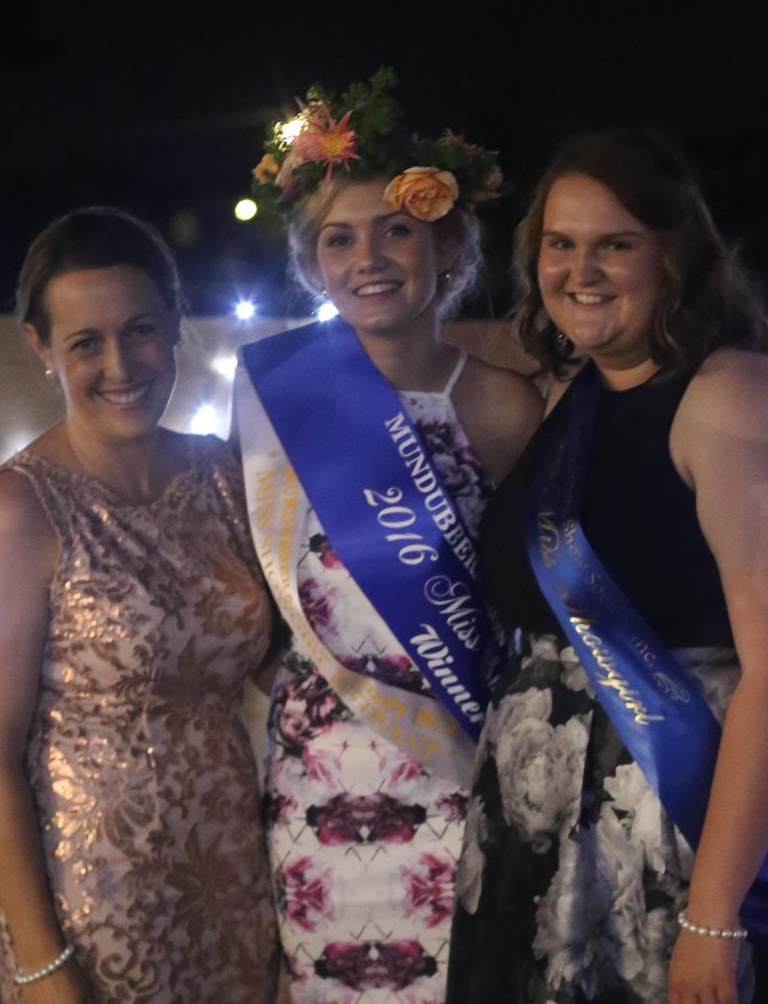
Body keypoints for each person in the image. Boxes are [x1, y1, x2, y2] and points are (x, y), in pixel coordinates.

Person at [237, 69, 543, 1003]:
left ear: (446, 242)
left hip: (461, 767)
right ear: (314, 262)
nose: (367, 257)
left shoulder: (501, 403)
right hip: (317, 777)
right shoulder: (273, 395)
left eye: (395, 229)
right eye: (339, 238)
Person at [446, 129, 768, 1004]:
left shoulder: (725, 396)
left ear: (674, 256)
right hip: (535, 832)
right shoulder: (573, 393)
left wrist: (714, 913)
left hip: (665, 839)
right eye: (561, 243)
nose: (580, 270)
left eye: (615, 244)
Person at [0, 207, 279, 1003]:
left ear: (175, 327)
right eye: (86, 342)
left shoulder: (227, 476)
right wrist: (41, 963)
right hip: (92, 918)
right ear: (41, 347)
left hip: (236, 893)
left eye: (142, 330)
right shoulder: (20, 509)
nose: (121, 364)